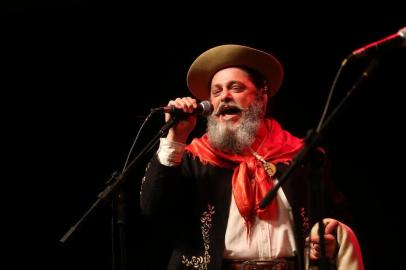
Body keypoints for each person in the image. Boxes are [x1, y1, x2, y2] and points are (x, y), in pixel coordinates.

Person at [139, 44, 364, 270]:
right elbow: (153, 210)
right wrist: (176, 137)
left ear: (261, 97)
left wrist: (329, 241)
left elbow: (336, 218)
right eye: (216, 92)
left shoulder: (302, 157)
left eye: (235, 88)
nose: (224, 97)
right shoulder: (195, 158)